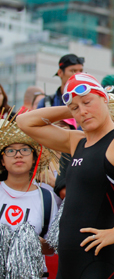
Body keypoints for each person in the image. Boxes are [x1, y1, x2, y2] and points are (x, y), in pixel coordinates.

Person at [17, 73, 114, 279]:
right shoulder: (76, 141)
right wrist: (73, 106)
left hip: (102, 265)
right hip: (69, 265)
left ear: (104, 98)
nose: (83, 112)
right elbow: (24, 122)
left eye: (88, 102)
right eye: (76, 108)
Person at [0, 119, 59, 278]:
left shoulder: (46, 198)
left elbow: (52, 248)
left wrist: (29, 242)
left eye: (25, 150)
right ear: (2, 161)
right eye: (10, 151)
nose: (18, 155)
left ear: (34, 158)